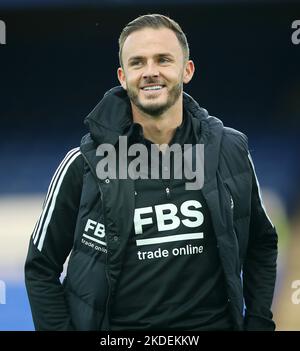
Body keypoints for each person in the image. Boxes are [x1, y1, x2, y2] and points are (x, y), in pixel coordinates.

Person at [25, 14, 278, 331]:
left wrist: (258, 321)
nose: (150, 72)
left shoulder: (230, 149)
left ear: (187, 70)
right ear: (122, 76)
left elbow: (262, 244)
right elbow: (41, 267)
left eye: (163, 60)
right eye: (137, 63)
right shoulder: (83, 164)